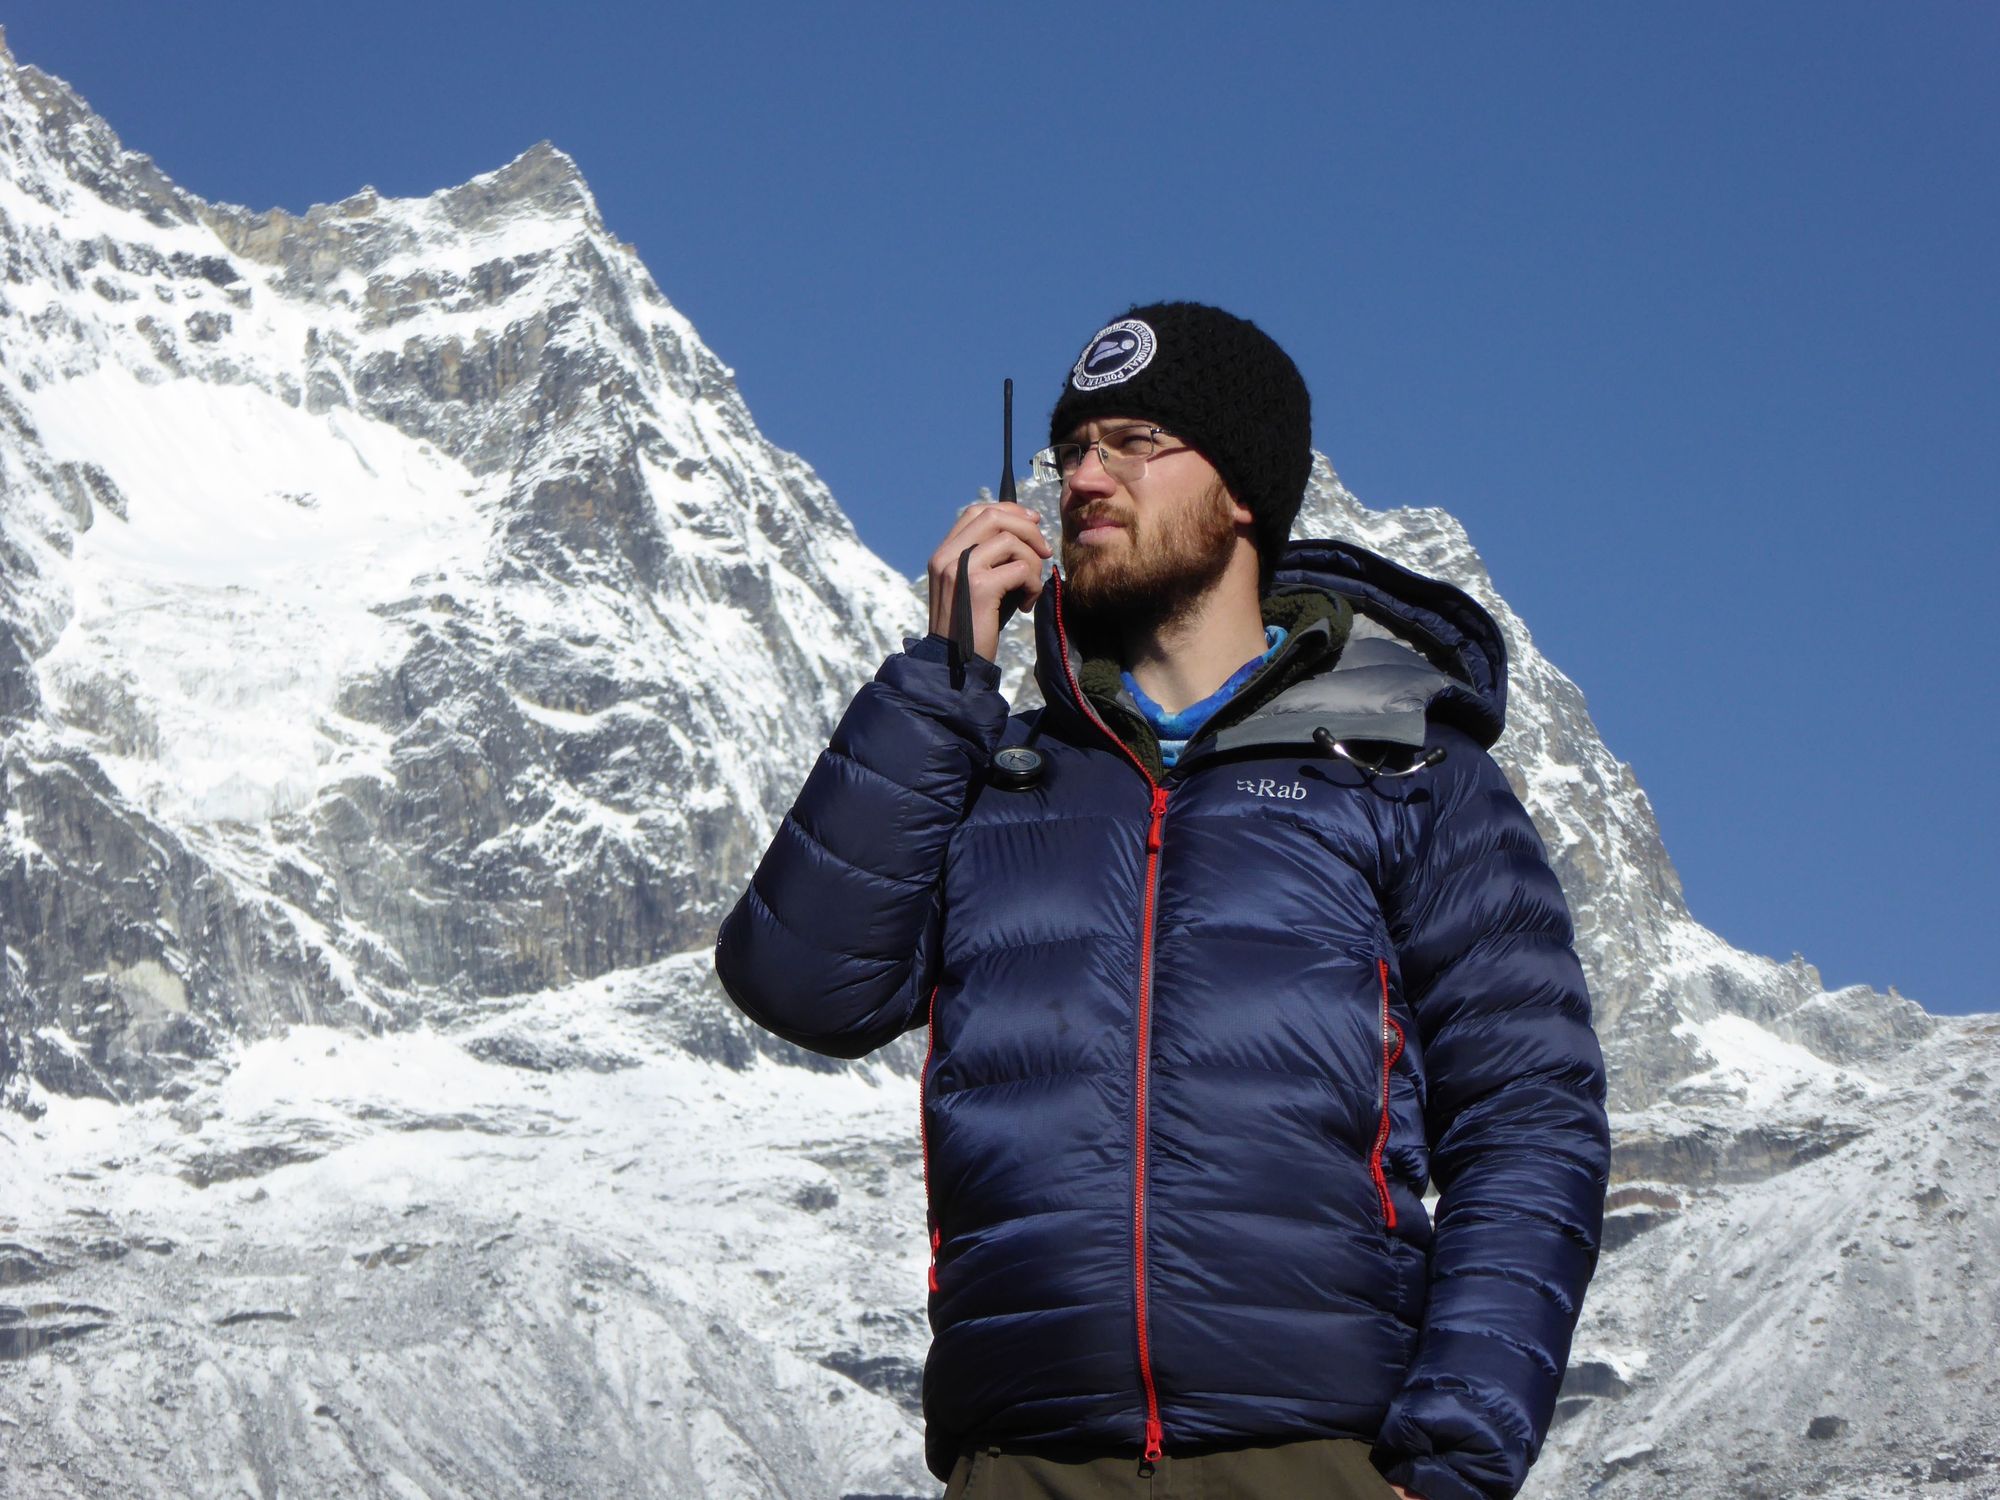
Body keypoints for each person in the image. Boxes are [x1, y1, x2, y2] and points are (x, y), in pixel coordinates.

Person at [715, 302, 1609, 1500]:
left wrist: (1451, 1458)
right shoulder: (995, 775)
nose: (1084, 475)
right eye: (1071, 447)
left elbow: (1527, 1120)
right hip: (1025, 1464)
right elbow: (802, 984)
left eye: (1133, 440)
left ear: (1241, 490)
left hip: (1314, 1460)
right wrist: (943, 680)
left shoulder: (1409, 773)